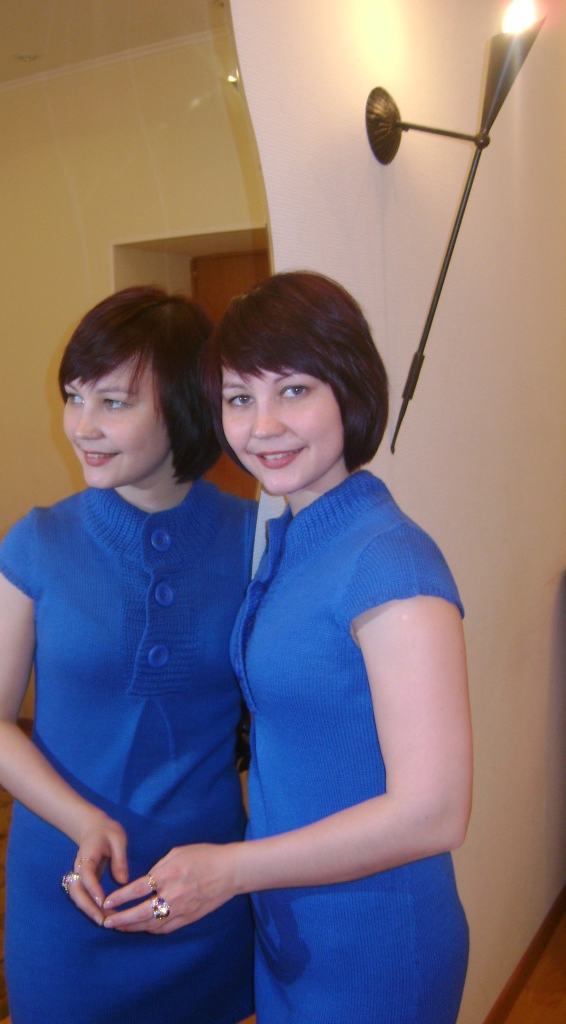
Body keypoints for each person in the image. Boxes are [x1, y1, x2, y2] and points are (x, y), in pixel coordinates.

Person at [102, 271, 472, 1024]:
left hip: (374, 947)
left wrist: (231, 871)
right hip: (293, 927)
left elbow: (434, 812)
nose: (263, 426)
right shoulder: (295, 541)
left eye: (294, 390)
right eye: (240, 398)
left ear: (350, 390)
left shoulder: (389, 560)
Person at [0, 286, 256, 1024]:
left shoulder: (255, 541)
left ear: (185, 405)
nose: (81, 426)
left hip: (206, 888)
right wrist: (81, 821)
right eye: (74, 397)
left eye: (114, 403)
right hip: (70, 884)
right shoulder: (37, 544)